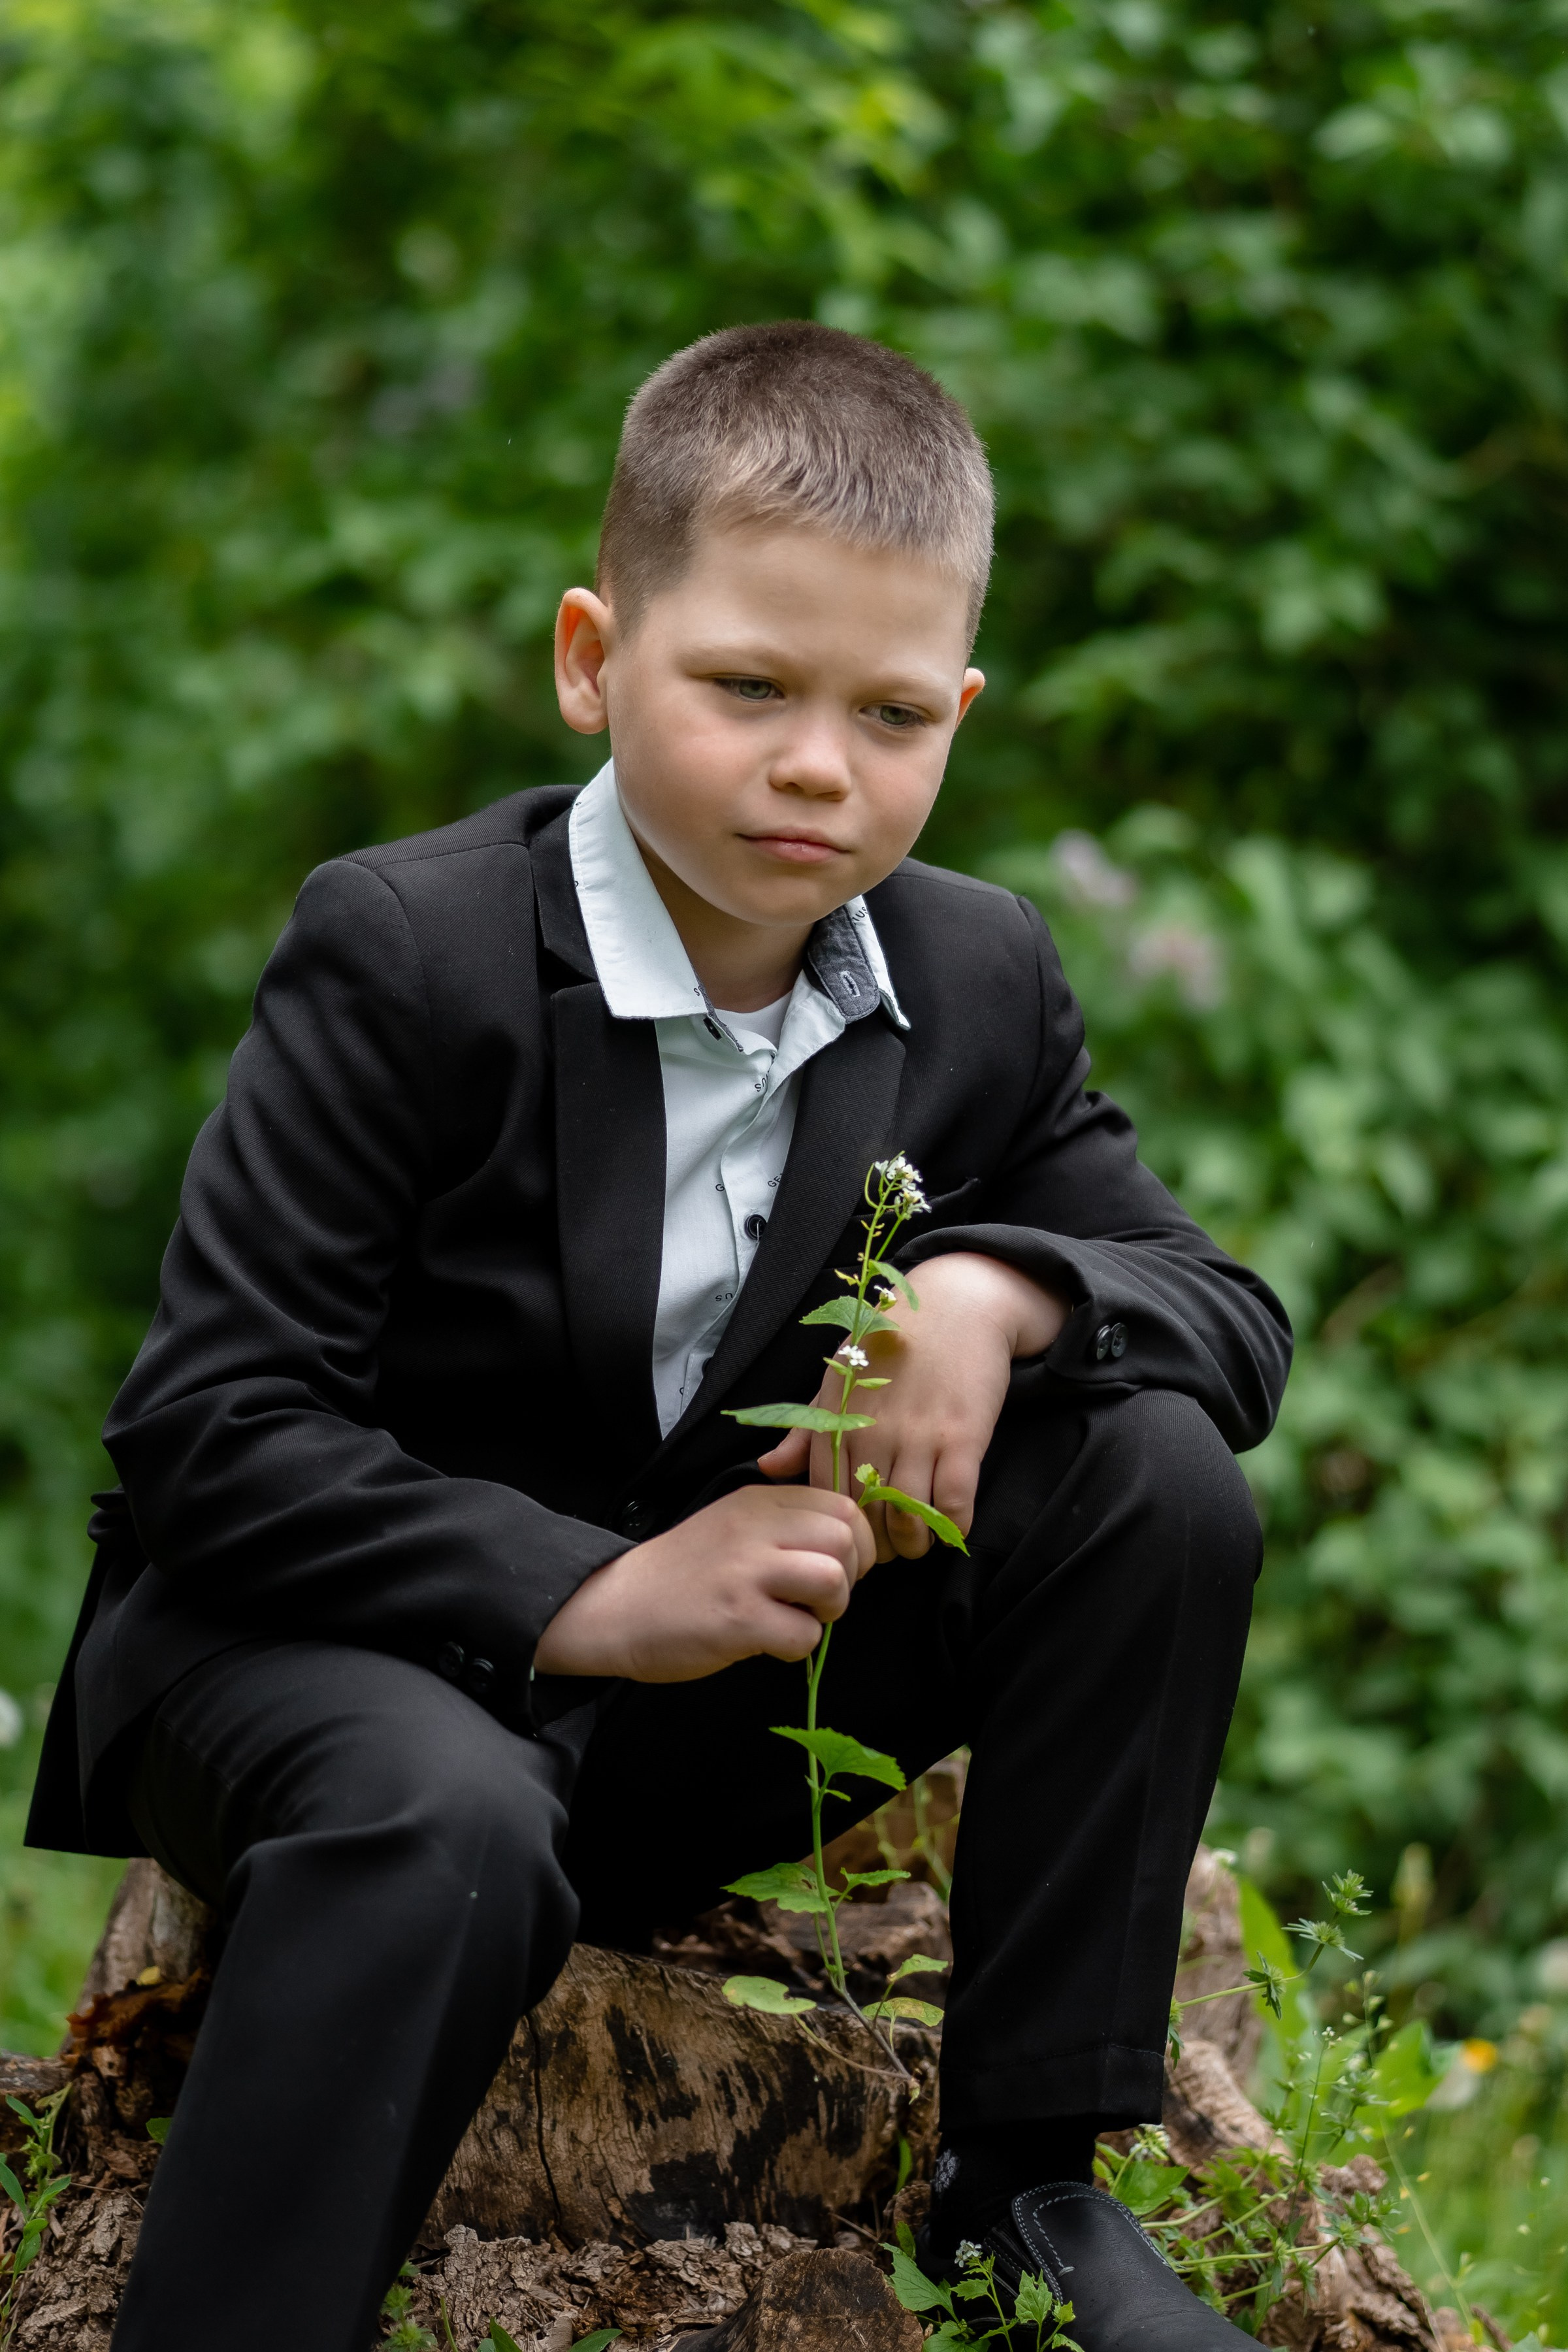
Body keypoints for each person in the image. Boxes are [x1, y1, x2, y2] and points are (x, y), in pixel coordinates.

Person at [27, 321, 1291, 2351]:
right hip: (317, 1664)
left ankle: (1027, 2186)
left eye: (892, 714)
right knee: (446, 1815)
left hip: (684, 1731)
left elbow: (1229, 1316)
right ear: (593, 658)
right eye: (748, 688)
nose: (820, 765)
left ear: (958, 712)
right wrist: (591, 1588)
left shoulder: (972, 972)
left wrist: (1002, 1287)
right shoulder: (409, 948)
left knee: (1150, 1472)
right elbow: (209, 1429)